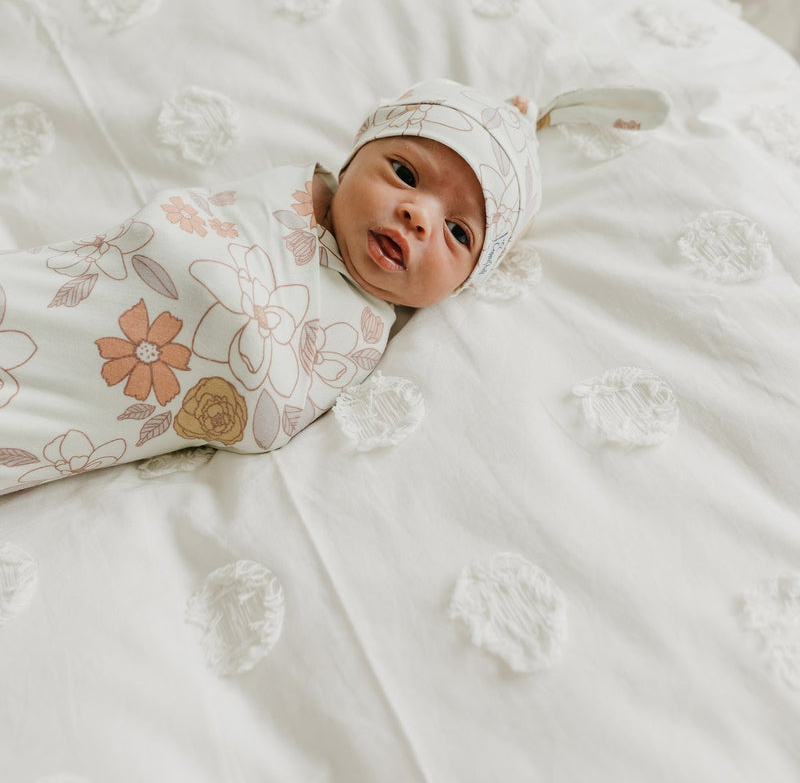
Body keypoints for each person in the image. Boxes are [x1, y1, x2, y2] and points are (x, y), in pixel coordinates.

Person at [0, 78, 669, 492]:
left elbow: (266, 408)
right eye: (405, 174)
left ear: (469, 281)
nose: (417, 215)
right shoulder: (288, 194)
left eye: (459, 233)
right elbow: (178, 236)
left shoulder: (367, 328)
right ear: (351, 161)